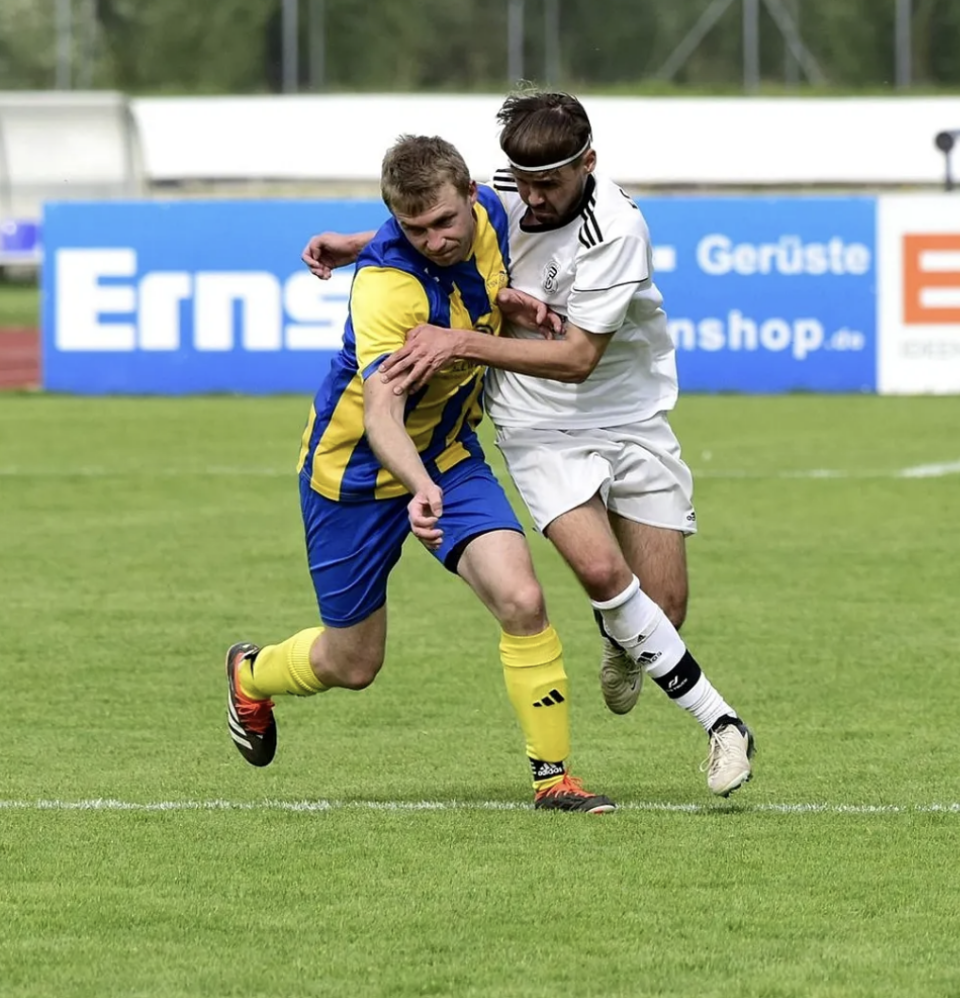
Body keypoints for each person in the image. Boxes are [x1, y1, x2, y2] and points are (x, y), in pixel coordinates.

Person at [301, 92, 755, 798]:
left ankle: (625, 637)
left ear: (589, 165)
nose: (530, 198)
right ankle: (717, 724)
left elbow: (577, 358)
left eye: (548, 183)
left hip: (629, 413)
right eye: (520, 181)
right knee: (598, 577)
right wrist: (359, 243)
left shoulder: (619, 231)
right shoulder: (496, 195)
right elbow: (443, 215)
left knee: (658, 610)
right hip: (533, 422)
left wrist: (463, 338)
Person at [226, 133, 615, 813]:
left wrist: (355, 241)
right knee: (355, 664)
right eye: (415, 229)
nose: (435, 239)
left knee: (522, 599)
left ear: (471, 195)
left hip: (448, 453)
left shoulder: (495, 211)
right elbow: (382, 413)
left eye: (444, 221)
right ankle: (251, 674)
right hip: (354, 475)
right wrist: (419, 485)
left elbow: (438, 238)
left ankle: (553, 780)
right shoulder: (385, 290)